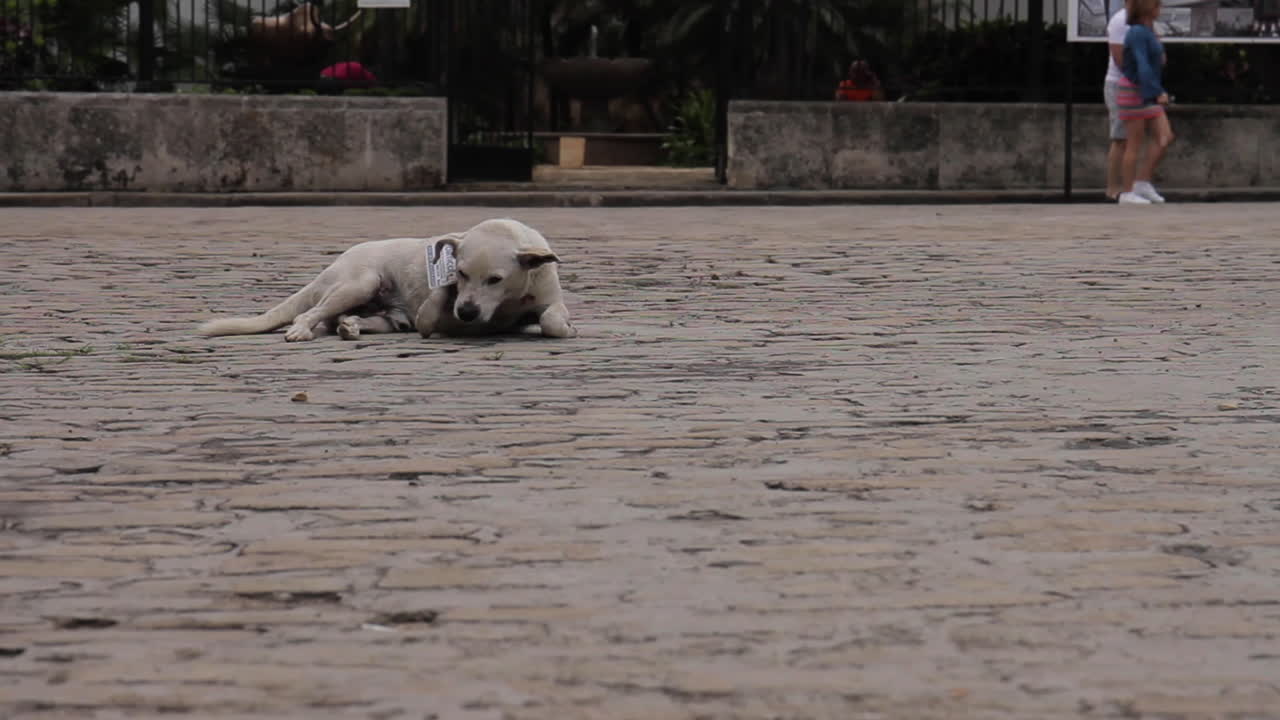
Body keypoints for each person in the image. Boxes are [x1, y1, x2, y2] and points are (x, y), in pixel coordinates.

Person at [1116, 0, 1174, 205]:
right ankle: (1126, 191)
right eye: (1158, 6)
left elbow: (1156, 60)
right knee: (1134, 143)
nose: (1161, 9)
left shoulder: (1149, 31)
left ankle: (1142, 181)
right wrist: (1157, 92)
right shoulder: (1138, 33)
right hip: (1134, 91)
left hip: (1147, 90)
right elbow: (1142, 64)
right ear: (1149, 9)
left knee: (1164, 137)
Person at [1103, 5, 1130, 200]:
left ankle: (1131, 185)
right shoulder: (1120, 20)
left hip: (1134, 83)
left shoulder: (1142, 20)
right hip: (1119, 84)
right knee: (1120, 138)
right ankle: (1113, 189)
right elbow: (1119, 58)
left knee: (1133, 138)